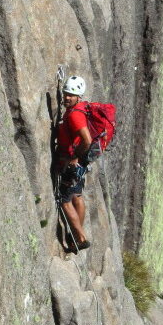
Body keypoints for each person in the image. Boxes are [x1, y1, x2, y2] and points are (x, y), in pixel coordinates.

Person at [56, 75, 93, 250]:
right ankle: (76, 235)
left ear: (78, 96)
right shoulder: (80, 109)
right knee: (77, 196)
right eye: (65, 94)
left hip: (72, 162)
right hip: (80, 163)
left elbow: (87, 139)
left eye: (71, 94)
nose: (66, 97)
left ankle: (80, 237)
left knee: (64, 199)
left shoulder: (75, 116)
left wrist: (74, 157)